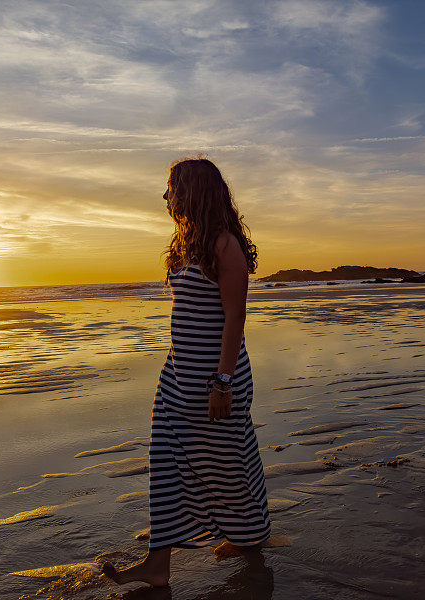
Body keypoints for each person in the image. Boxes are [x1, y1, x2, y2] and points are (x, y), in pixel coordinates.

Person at [102, 156, 272, 587]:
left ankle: (250, 534)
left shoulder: (224, 245)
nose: (165, 195)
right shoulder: (185, 244)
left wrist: (223, 381)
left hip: (216, 378)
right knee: (167, 460)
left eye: (171, 187)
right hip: (177, 375)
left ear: (193, 191)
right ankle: (158, 565)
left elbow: (235, 318)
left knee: (226, 461)